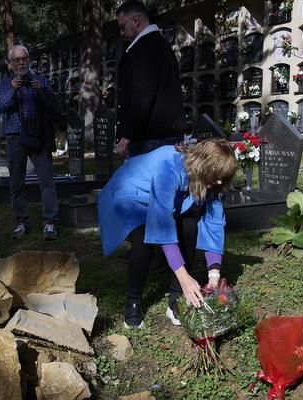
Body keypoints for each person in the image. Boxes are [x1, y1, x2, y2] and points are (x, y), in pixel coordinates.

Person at [98, 138, 238, 328]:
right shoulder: (168, 165)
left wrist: (214, 275)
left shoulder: (213, 180)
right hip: (131, 194)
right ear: (203, 165)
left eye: (224, 176)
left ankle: (175, 300)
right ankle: (133, 302)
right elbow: (161, 222)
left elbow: (214, 222)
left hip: (165, 200)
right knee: (142, 239)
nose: (220, 180)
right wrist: (184, 276)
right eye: (217, 174)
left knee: (189, 226)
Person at [0, 44, 62, 240]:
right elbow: (1, 107)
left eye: (23, 59)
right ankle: (22, 222)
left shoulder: (40, 80)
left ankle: (50, 222)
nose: (21, 63)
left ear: (29, 60)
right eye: (16, 60)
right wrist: (14, 90)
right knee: (16, 182)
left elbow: (54, 105)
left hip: (39, 135)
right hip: (15, 136)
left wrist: (42, 90)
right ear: (10, 64)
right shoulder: (7, 83)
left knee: (47, 180)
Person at [115, 1, 185, 158]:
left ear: (136, 21)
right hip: (162, 135)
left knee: (145, 182)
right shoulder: (160, 44)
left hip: (150, 138)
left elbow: (142, 95)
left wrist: (128, 135)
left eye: (122, 26)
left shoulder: (145, 48)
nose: (121, 32)